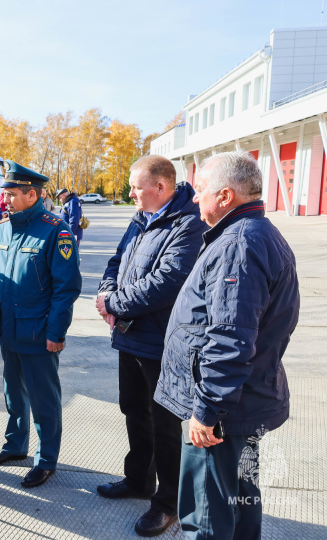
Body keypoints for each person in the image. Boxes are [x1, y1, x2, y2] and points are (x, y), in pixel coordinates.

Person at [155, 151, 300, 540]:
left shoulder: (238, 244)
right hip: (243, 406)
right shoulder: (255, 233)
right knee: (240, 501)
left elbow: (230, 337)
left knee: (207, 515)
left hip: (221, 416)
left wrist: (206, 409)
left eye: (199, 190)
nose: (194, 197)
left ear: (224, 195)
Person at [94, 155, 209, 537]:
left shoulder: (187, 223)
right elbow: (116, 261)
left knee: (164, 424)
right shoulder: (141, 217)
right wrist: (107, 292)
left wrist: (113, 304)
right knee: (133, 410)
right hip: (131, 335)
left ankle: (167, 503)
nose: (130, 193)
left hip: (162, 343)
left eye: (136, 187)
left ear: (161, 187)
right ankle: (139, 480)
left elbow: (168, 281)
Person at [0, 160, 82, 488]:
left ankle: (46, 459)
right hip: (9, 329)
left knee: (44, 400)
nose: (5, 199)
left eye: (11, 194)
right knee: (13, 392)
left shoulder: (56, 229)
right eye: (4, 193)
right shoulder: (4, 228)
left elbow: (65, 288)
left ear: (32, 195)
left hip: (38, 333)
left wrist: (57, 331)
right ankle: (15, 445)